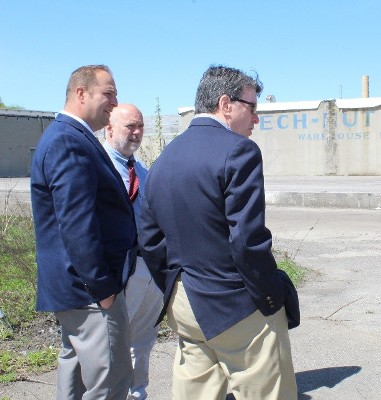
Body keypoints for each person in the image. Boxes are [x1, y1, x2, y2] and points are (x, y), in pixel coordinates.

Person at [138, 65, 300, 400]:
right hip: (236, 305)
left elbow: (149, 240)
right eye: (252, 108)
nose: (256, 119)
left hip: (183, 303)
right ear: (225, 104)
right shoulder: (239, 151)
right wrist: (271, 296)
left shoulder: (163, 160)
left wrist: (176, 286)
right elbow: (247, 241)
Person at [30, 65, 137, 399]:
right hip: (90, 293)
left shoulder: (70, 137)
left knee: (75, 379)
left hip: (78, 290)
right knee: (110, 385)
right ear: (81, 93)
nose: (115, 102)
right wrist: (103, 289)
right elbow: (77, 223)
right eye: (108, 93)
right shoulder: (68, 141)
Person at [104, 103, 163, 400]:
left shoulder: (141, 170)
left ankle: (137, 393)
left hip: (149, 268)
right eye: (130, 127)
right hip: (120, 272)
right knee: (112, 343)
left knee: (142, 340)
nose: (137, 133)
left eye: (140, 126)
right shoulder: (99, 168)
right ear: (109, 128)